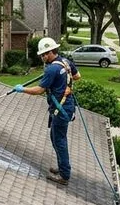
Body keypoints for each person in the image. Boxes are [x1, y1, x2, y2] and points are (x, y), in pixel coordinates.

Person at [13, 37, 79, 186]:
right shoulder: (66, 62)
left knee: (59, 141)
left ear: (50, 52)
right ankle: (62, 166)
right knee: (55, 137)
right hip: (66, 107)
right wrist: (65, 85)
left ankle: (64, 175)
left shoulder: (52, 69)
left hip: (60, 110)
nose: (42, 57)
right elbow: (77, 76)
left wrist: (22, 89)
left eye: (44, 54)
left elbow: (39, 90)